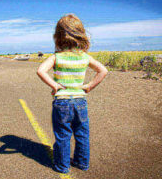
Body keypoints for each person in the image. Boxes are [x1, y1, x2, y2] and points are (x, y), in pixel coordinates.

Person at [36, 14, 108, 173]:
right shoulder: (84, 57)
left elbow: (40, 71)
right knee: (82, 134)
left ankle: (62, 166)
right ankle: (82, 163)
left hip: (62, 101)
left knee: (63, 135)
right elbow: (103, 70)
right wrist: (88, 86)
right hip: (80, 101)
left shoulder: (57, 57)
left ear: (58, 36)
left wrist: (55, 85)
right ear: (80, 34)